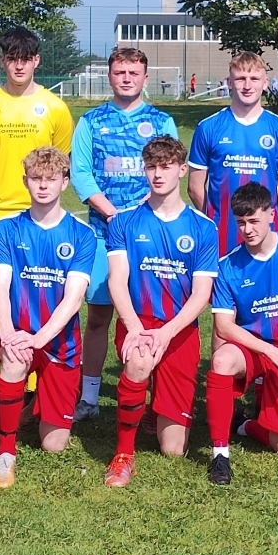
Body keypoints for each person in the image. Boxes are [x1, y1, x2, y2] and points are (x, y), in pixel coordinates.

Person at [0, 27, 73, 421]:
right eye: (12, 58)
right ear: (3, 61)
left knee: (34, 297)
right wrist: (1, 191)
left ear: (36, 61)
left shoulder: (55, 108)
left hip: (42, 215)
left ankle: (30, 386)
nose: (19, 65)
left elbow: (58, 163)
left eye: (25, 58)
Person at [103, 136, 219, 487]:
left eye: (166, 166)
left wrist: (167, 332)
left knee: (173, 449)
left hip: (179, 330)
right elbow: (117, 282)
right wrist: (135, 328)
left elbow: (202, 294)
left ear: (182, 170)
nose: (158, 174)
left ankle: (157, 410)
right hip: (138, 323)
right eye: (152, 166)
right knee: (139, 360)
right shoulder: (124, 223)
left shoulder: (202, 227)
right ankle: (123, 455)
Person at [69, 47, 177, 422]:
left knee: (151, 316)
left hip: (150, 237)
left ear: (145, 77)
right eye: (119, 72)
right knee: (99, 316)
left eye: (133, 71)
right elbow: (81, 174)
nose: (126, 77)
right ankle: (90, 397)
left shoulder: (161, 121)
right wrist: (115, 214)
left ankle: (150, 398)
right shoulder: (92, 121)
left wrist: (135, 216)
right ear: (110, 76)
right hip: (103, 233)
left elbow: (170, 169)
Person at [0, 148, 95, 487]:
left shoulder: (81, 234)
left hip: (58, 342)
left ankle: (31, 409)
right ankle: (4, 455)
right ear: (25, 182)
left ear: (64, 182)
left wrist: (39, 338)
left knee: (54, 445)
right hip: (20, 336)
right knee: (14, 361)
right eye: (36, 179)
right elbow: (0, 289)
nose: (43, 186)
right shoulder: (6, 229)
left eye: (51, 179)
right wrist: (8, 335)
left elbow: (73, 299)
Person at [204, 182, 278, 486]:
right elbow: (224, 326)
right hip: (255, 350)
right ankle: (220, 454)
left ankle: (245, 425)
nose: (247, 229)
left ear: (272, 214)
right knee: (221, 361)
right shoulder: (228, 266)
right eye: (241, 222)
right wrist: (268, 351)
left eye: (254, 220)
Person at [187, 51, 278, 257]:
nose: (247, 86)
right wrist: (215, 219)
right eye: (240, 79)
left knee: (264, 288)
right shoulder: (208, 127)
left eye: (254, 79)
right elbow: (194, 187)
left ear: (265, 83)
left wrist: (264, 219)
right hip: (220, 235)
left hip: (267, 236)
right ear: (229, 82)